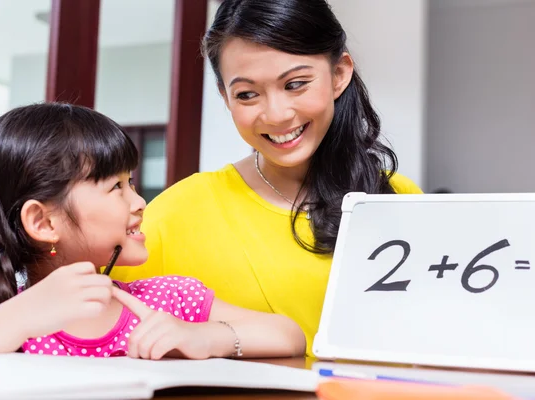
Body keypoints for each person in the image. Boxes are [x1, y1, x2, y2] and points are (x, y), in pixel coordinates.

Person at [111, 0, 423, 355]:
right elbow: (105, 337)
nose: (276, 114)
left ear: (339, 74)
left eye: (295, 84)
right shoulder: (176, 213)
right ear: (225, 97)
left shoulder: (397, 197)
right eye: (247, 94)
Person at [0, 103, 305, 359]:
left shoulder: (168, 301)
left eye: (131, 182)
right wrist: (19, 317)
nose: (139, 202)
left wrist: (203, 337)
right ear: (44, 223)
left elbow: (289, 336)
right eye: (115, 187)